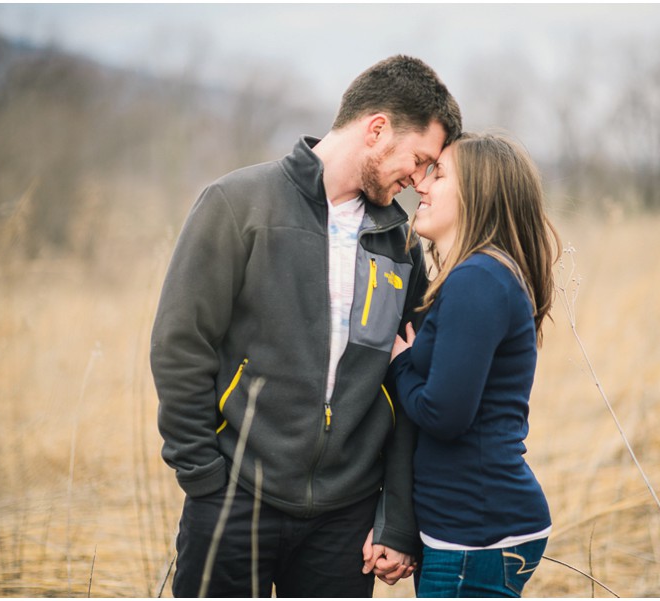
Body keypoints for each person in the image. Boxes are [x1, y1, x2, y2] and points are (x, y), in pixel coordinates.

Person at [149, 55, 462, 597]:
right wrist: (203, 478)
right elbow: (180, 345)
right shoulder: (237, 204)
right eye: (418, 160)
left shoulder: (403, 246)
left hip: (345, 520)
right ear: (377, 130)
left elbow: (407, 381)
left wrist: (394, 517)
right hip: (233, 496)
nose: (418, 181)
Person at [386, 132, 561, 597]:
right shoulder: (479, 276)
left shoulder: (478, 279)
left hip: (476, 534)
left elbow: (445, 414)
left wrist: (401, 366)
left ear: (478, 195)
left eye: (438, 174)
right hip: (470, 529)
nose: (420, 185)